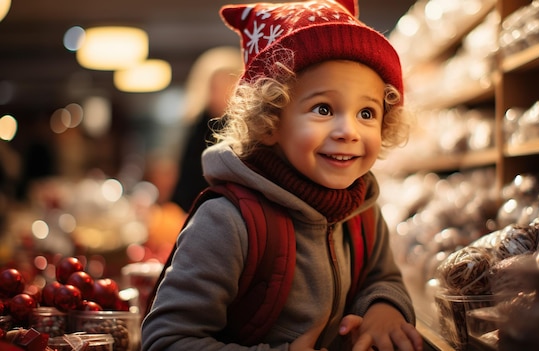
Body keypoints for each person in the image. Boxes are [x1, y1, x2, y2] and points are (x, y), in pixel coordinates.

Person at [141, 0, 423, 350]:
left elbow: (384, 277)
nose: (348, 131)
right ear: (269, 122)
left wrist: (385, 306)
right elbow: (166, 340)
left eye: (366, 112)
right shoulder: (227, 221)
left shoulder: (362, 208)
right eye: (323, 109)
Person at [170, 46, 243, 212]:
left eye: (227, 83)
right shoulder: (196, 127)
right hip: (194, 211)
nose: (220, 91)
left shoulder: (246, 129)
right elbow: (185, 179)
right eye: (214, 85)